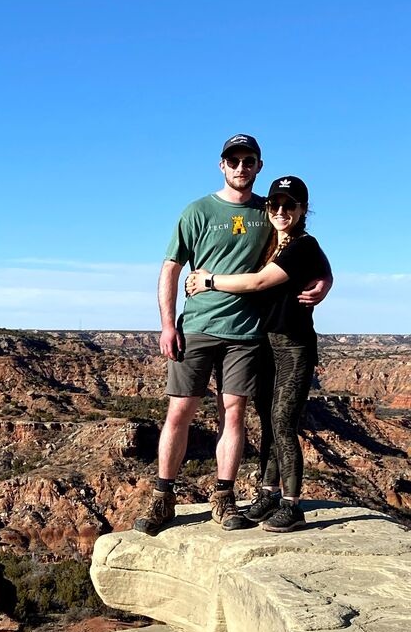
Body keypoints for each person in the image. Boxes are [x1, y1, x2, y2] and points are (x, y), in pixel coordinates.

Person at [134, 135, 331, 535]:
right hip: (198, 327)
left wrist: (327, 280)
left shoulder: (271, 209)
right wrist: (167, 323)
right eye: (234, 160)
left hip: (246, 333)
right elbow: (170, 268)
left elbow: (310, 250)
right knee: (179, 412)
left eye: (249, 160)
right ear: (221, 165)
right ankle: (163, 496)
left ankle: (223, 499)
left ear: (259, 166)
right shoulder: (198, 211)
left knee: (234, 413)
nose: (241, 167)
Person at [185, 176, 328, 532]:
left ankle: (292, 505)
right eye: (275, 204)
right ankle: (267, 494)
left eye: (289, 205)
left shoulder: (303, 246)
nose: (281, 211)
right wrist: (328, 277)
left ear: (302, 209)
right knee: (267, 421)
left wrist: (208, 281)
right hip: (265, 343)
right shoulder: (271, 241)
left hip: (293, 345)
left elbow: (259, 282)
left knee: (283, 422)